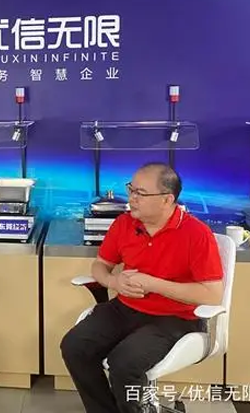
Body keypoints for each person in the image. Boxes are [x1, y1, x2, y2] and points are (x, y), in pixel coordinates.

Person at [61, 163, 224, 413]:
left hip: (175, 318)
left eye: (141, 193)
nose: (132, 198)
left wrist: (153, 283)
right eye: (131, 189)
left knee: (124, 363)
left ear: (167, 199)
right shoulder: (124, 224)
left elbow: (212, 294)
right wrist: (113, 282)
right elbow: (100, 265)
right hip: (125, 308)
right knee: (75, 346)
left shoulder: (196, 233)